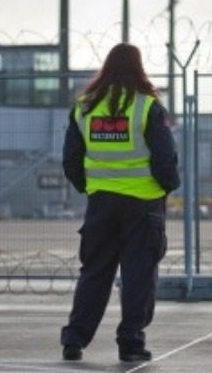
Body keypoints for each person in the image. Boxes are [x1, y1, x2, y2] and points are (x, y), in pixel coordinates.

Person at [59, 42, 180, 363]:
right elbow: (165, 157)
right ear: (139, 68)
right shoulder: (147, 107)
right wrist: (167, 187)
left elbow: (71, 159)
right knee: (139, 275)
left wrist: (89, 186)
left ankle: (74, 339)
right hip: (143, 203)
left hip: (101, 203)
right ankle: (130, 342)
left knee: (95, 272)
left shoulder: (84, 108)